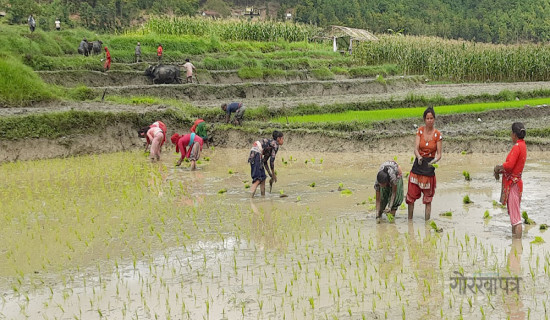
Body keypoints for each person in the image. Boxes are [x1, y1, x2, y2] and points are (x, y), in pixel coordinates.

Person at [406, 107, 442, 220]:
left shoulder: (438, 135)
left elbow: (439, 154)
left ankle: (427, 223)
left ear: (434, 119)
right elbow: (415, 149)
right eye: (427, 118)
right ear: (424, 119)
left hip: (429, 166)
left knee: (428, 198)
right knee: (411, 196)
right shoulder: (420, 131)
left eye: (431, 118)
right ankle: (410, 220)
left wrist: (434, 162)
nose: (429, 120)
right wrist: (419, 156)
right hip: (418, 164)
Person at [494, 122, 527, 238]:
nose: (510, 135)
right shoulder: (523, 145)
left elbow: (509, 166)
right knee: (515, 214)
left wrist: (499, 167)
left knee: (516, 219)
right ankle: (516, 244)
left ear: (514, 134)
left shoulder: (517, 147)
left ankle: (517, 246)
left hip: (513, 184)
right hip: (517, 182)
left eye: (511, 133)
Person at [249, 131, 284, 197]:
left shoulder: (270, 144)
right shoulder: (275, 144)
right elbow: (271, 161)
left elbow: (265, 161)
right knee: (257, 179)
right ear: (278, 139)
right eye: (282, 138)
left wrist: (270, 174)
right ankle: (250, 199)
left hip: (256, 154)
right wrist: (273, 175)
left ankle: (263, 197)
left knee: (263, 177)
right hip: (256, 154)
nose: (283, 140)